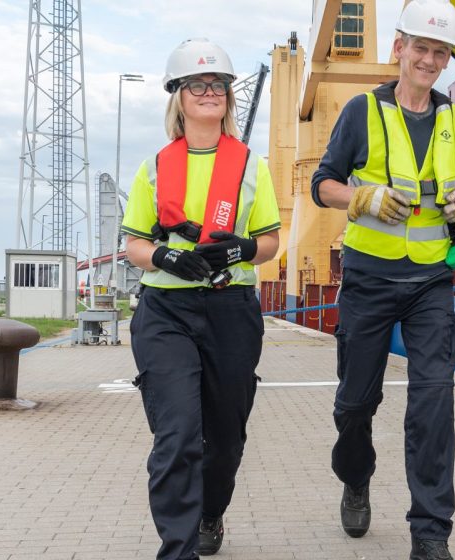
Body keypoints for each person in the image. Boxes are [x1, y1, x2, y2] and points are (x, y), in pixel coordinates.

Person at [307, 2, 455, 559]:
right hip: (370, 279)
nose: (429, 59)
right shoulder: (361, 112)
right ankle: (356, 475)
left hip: (431, 283)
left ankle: (430, 535)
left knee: (433, 404)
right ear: (399, 49)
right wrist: (362, 196)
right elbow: (321, 184)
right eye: (420, 48)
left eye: (440, 52)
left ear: (447, 61)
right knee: (355, 404)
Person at [120, 38, 281, 560]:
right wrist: (166, 259)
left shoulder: (253, 168)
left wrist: (243, 249)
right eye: (197, 85)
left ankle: (211, 512)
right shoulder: (153, 169)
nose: (208, 92)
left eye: (218, 85)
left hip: (231, 312)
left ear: (229, 99)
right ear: (179, 97)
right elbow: (135, 245)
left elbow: (272, 243)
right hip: (166, 313)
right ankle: (178, 547)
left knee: (226, 440)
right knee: (178, 436)